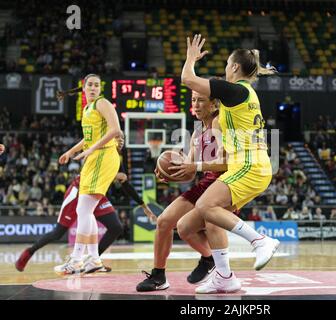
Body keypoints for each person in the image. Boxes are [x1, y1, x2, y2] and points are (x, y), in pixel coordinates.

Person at [176, 34, 280, 293]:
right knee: (189, 225)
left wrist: (190, 58)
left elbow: (188, 80)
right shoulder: (245, 94)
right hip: (246, 166)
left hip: (249, 165)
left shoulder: (235, 90)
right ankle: (225, 277)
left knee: (205, 204)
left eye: (226, 64)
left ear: (234, 67)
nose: (224, 69)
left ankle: (260, 241)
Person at [136, 90, 228, 292]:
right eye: (193, 100)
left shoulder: (219, 122)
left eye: (201, 100)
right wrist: (170, 172)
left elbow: (226, 162)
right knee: (164, 221)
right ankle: (159, 275)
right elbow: (189, 170)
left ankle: (215, 264)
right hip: (206, 183)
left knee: (190, 227)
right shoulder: (197, 131)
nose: (195, 104)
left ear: (214, 105)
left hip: (226, 185)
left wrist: (195, 166)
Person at [15, 172, 155, 272]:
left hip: (97, 194)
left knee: (116, 227)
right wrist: (112, 175)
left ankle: (93, 261)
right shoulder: (101, 146)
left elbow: (125, 183)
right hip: (80, 191)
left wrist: (144, 206)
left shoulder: (118, 155)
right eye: (117, 136)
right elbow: (92, 169)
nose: (120, 140)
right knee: (58, 233)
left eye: (122, 138)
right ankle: (29, 252)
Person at [54, 74, 122, 275]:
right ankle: (93, 260)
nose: (93, 87)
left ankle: (75, 261)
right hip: (95, 157)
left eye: (96, 85)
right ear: (83, 88)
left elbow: (115, 130)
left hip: (103, 156)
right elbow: (88, 138)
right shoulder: (87, 108)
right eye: (89, 85)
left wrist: (91, 150)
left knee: (83, 209)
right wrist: (70, 151)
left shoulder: (102, 103)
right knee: (86, 211)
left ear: (100, 89)